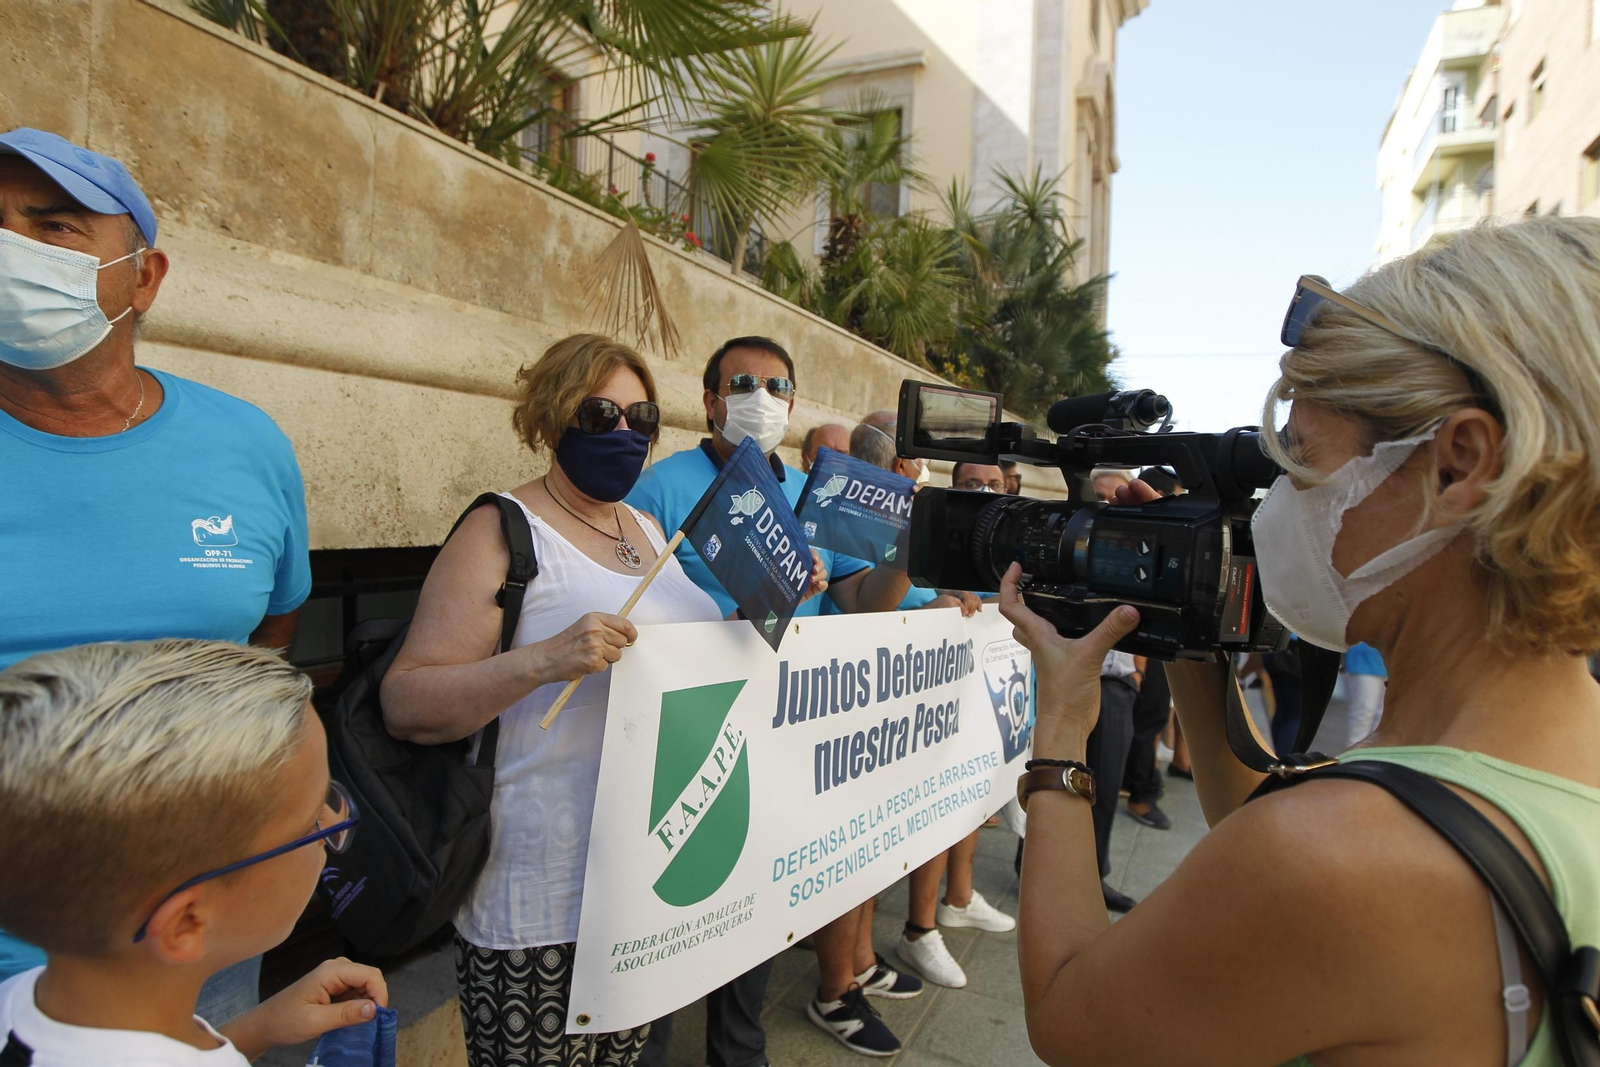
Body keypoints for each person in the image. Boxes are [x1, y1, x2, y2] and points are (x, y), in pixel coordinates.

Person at [1002, 217, 1600, 1065]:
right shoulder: (1537, 770)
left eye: (1304, 457)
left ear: (1458, 464)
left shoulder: (1340, 858)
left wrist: (1061, 728)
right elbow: (1265, 818)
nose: (1284, 497)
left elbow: (1070, 1013)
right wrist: (1186, 623)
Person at [0, 127, 311, 1021]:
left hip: (197, 945)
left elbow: (270, 638)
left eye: (53, 226)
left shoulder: (245, 445)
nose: (14, 246)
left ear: (143, 276)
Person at [381, 334, 726, 1067]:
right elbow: (407, 701)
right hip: (542, 896)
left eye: (643, 416)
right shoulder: (500, 528)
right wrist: (544, 659)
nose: (625, 431)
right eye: (602, 412)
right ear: (552, 415)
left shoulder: (647, 529)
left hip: (642, 880)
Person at [627, 337, 913, 1059]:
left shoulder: (812, 493)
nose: (762, 396)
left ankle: (739, 1049)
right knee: (667, 916)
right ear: (712, 400)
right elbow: (627, 605)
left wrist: (910, 546)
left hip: (786, 732)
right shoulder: (661, 487)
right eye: (744, 382)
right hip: (688, 736)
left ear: (792, 402)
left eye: (777, 385)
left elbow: (864, 599)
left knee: (754, 910)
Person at [0, 639, 388, 1065]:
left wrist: (256, 1030)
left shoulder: (20, 999)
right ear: (186, 923)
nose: (332, 824)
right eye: (311, 822)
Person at [848, 420, 1003, 992]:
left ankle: (895, 940)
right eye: (921, 459)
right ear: (893, 468)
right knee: (865, 839)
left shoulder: (934, 521)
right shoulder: (860, 523)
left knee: (928, 815)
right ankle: (854, 965)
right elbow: (865, 610)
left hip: (933, 704)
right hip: (874, 706)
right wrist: (928, 609)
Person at [1342, 641, 1387, 749]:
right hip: (1363, 662)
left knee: (1382, 715)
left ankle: (1373, 755)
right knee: (1364, 712)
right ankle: (1353, 755)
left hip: (1386, 663)